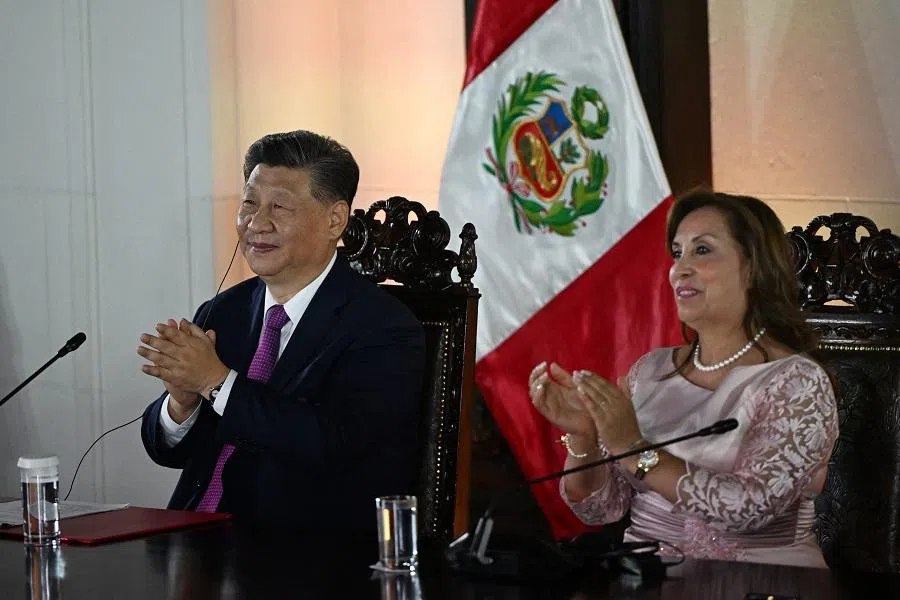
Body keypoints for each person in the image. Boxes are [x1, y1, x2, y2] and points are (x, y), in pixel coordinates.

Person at [529, 190, 839, 568]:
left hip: (761, 582)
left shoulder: (798, 383)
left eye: (702, 250)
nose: (680, 269)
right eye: (678, 253)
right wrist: (584, 437)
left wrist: (633, 447)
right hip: (645, 578)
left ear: (753, 267)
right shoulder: (649, 372)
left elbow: (748, 509)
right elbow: (601, 509)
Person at [137, 130, 425, 535]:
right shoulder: (225, 311)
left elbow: (334, 445)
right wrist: (181, 404)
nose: (257, 223)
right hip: (190, 537)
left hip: (298, 549)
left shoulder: (384, 327)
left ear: (334, 220)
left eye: (279, 206)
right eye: (249, 203)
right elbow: (168, 451)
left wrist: (216, 383)